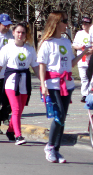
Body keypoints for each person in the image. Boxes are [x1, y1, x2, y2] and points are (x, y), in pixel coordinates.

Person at [38, 11, 88, 163]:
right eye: (64, 21)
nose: (67, 24)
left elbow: (71, 63)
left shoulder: (66, 42)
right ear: (56, 23)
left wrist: (84, 52)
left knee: (63, 118)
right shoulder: (47, 44)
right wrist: (43, 85)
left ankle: (56, 150)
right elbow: (42, 66)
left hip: (67, 84)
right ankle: (50, 146)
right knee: (58, 115)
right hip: (53, 84)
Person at [0, 23, 39, 145]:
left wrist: (43, 82)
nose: (20, 35)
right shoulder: (7, 48)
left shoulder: (30, 49)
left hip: (24, 81)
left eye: (23, 33)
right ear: (13, 33)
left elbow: (36, 67)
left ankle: (10, 130)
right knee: (16, 109)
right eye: (18, 32)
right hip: (11, 82)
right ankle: (18, 135)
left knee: (20, 110)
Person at [73, 16, 93, 102]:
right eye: (83, 23)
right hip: (81, 60)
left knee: (91, 78)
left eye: (86, 23)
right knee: (83, 78)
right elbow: (74, 45)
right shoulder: (79, 33)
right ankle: (85, 94)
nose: (84, 25)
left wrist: (91, 51)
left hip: (91, 59)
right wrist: (81, 48)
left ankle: (91, 94)